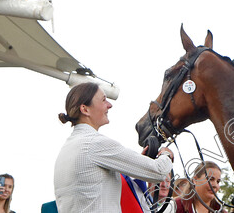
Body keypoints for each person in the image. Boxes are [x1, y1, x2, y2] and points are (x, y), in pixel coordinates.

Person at [53, 82, 174, 213]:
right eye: (104, 100)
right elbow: (159, 172)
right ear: (85, 109)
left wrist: (140, 162)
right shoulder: (95, 143)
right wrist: (166, 155)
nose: (109, 105)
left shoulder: (68, 148)